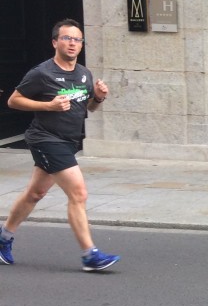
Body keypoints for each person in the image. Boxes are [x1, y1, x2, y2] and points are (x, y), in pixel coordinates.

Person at [0, 19, 119, 272]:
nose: (72, 43)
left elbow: (89, 108)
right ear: (55, 42)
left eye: (77, 39)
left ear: (81, 44)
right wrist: (48, 106)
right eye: (66, 38)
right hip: (46, 139)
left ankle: (4, 238)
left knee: (35, 193)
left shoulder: (84, 74)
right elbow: (13, 100)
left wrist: (98, 98)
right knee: (78, 193)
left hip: (68, 141)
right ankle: (89, 255)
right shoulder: (42, 73)